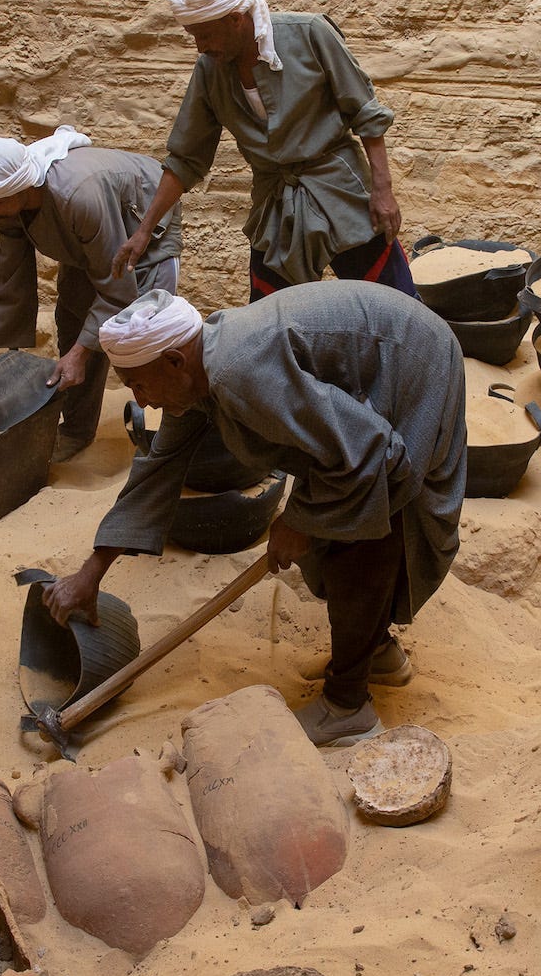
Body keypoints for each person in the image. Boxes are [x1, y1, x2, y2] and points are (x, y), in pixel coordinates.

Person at [43, 285, 465, 747]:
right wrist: (93, 571)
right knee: (341, 514)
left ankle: (348, 708)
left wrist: (298, 521)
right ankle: (375, 652)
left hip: (413, 365)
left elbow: (367, 456)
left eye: (137, 385)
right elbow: (160, 466)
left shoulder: (237, 372)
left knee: (362, 521)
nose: (141, 402)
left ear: (175, 362)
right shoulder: (198, 371)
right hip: (385, 364)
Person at [110, 0, 415, 303]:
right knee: (272, 320)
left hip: (341, 192)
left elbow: (366, 113)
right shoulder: (209, 70)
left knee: (395, 304)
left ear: (236, 19)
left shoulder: (310, 34)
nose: (201, 47)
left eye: (206, 35)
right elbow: (186, 158)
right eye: (193, 37)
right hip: (275, 205)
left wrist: (383, 191)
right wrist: (144, 231)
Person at [0, 128, 182, 458]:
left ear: (22, 187)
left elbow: (117, 288)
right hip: (92, 238)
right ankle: (76, 430)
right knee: (74, 318)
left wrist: (81, 354)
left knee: (140, 332)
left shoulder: (78, 197)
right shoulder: (4, 201)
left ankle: (177, 433)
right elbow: (12, 275)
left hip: (142, 224)